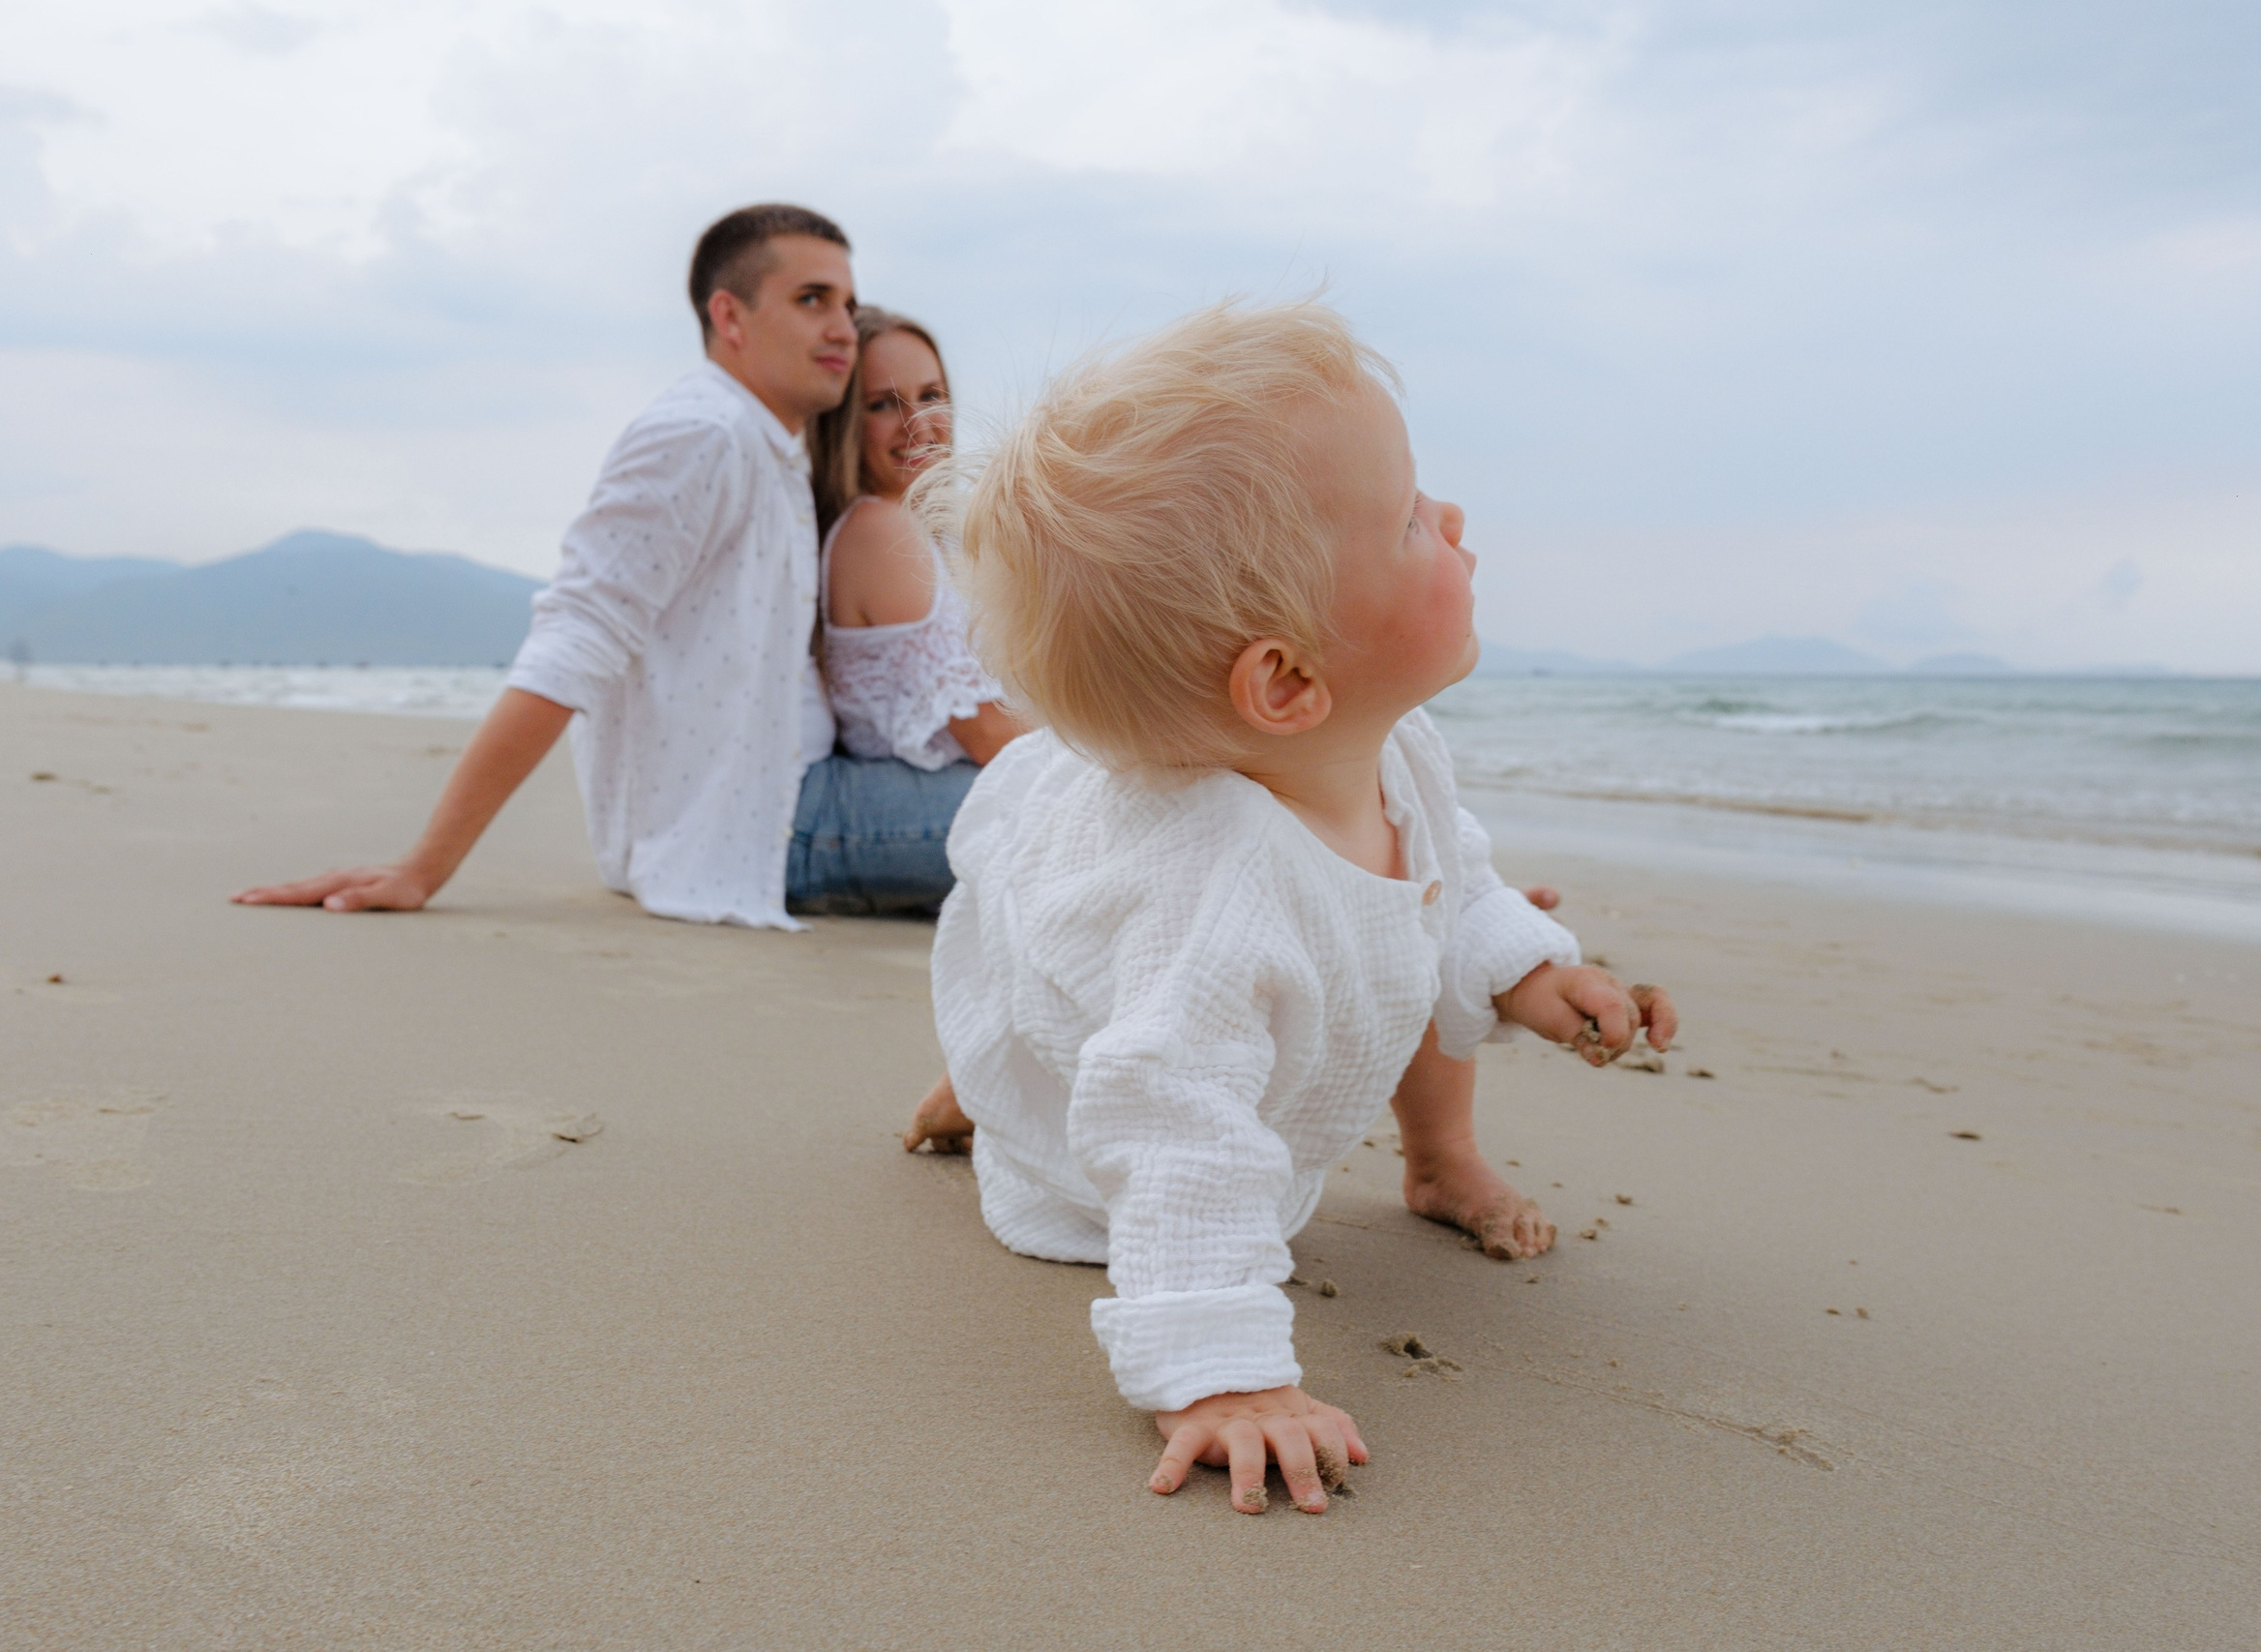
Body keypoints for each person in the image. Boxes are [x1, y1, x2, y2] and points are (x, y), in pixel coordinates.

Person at [912, 300, 1677, 1516]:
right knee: (1108, 1042)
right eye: (1411, 523)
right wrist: (1223, 1377)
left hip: (1217, 995)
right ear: (1285, 679)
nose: (1456, 520)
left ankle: (1440, 1161)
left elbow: (1456, 872)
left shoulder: (1396, 745)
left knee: (1409, 913)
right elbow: (1173, 1125)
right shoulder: (1210, 900)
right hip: (1124, 1102)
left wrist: (1531, 973)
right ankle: (1006, 1091)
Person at [232, 204, 971, 925]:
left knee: (1054, 797)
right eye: (812, 300)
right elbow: (574, 638)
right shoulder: (700, 434)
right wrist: (423, 866)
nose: (842, 327)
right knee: (1054, 810)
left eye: (847, 301)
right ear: (730, 317)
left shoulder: (768, 447)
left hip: (778, 803)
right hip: (767, 825)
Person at [793, 308, 1025, 914]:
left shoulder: (934, 530)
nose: (919, 423)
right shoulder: (878, 531)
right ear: (844, 424)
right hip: (914, 793)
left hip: (948, 785)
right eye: (883, 404)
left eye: (931, 395)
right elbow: (988, 735)